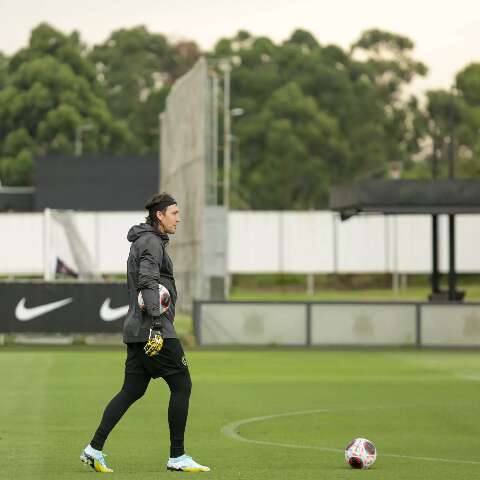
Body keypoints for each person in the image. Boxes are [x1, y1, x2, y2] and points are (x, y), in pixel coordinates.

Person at [80, 192, 210, 473]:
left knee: (132, 390)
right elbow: (148, 282)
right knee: (182, 385)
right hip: (154, 328)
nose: (179, 218)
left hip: (136, 329)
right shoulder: (151, 242)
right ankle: (177, 456)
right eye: (174, 213)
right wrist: (157, 326)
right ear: (159, 216)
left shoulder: (145, 240)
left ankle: (94, 448)